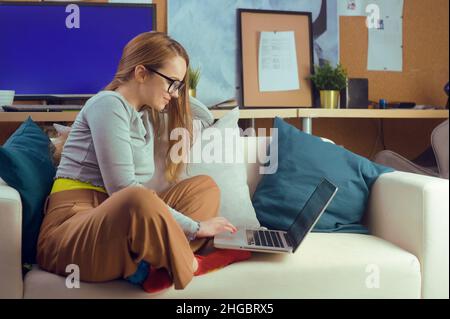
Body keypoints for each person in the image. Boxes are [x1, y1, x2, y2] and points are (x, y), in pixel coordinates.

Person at [37, 31, 250, 293]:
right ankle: (189, 264)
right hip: (73, 225)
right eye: (172, 83)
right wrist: (195, 228)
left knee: (204, 187)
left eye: (179, 86)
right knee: (137, 196)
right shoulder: (108, 104)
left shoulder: (145, 115)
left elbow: (202, 115)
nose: (174, 94)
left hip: (119, 226)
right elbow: (123, 190)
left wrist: (178, 89)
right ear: (140, 73)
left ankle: (151, 266)